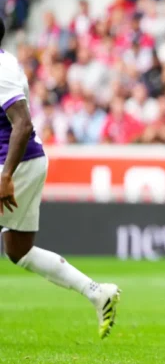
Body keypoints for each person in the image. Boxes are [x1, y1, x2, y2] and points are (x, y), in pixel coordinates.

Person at [0, 19, 120, 339]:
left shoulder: (1, 69)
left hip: (14, 165)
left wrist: (6, 176)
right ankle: (97, 292)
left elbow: (22, 125)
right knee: (18, 249)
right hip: (26, 163)